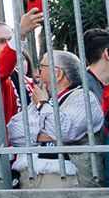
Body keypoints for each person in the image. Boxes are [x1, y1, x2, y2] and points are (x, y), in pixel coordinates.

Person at [6, 49, 103, 188]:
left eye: (41, 67)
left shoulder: (84, 98)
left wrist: (42, 106)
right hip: (32, 181)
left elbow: (63, 131)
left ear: (58, 73)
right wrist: (51, 132)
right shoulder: (41, 98)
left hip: (71, 183)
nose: (37, 73)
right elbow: (14, 130)